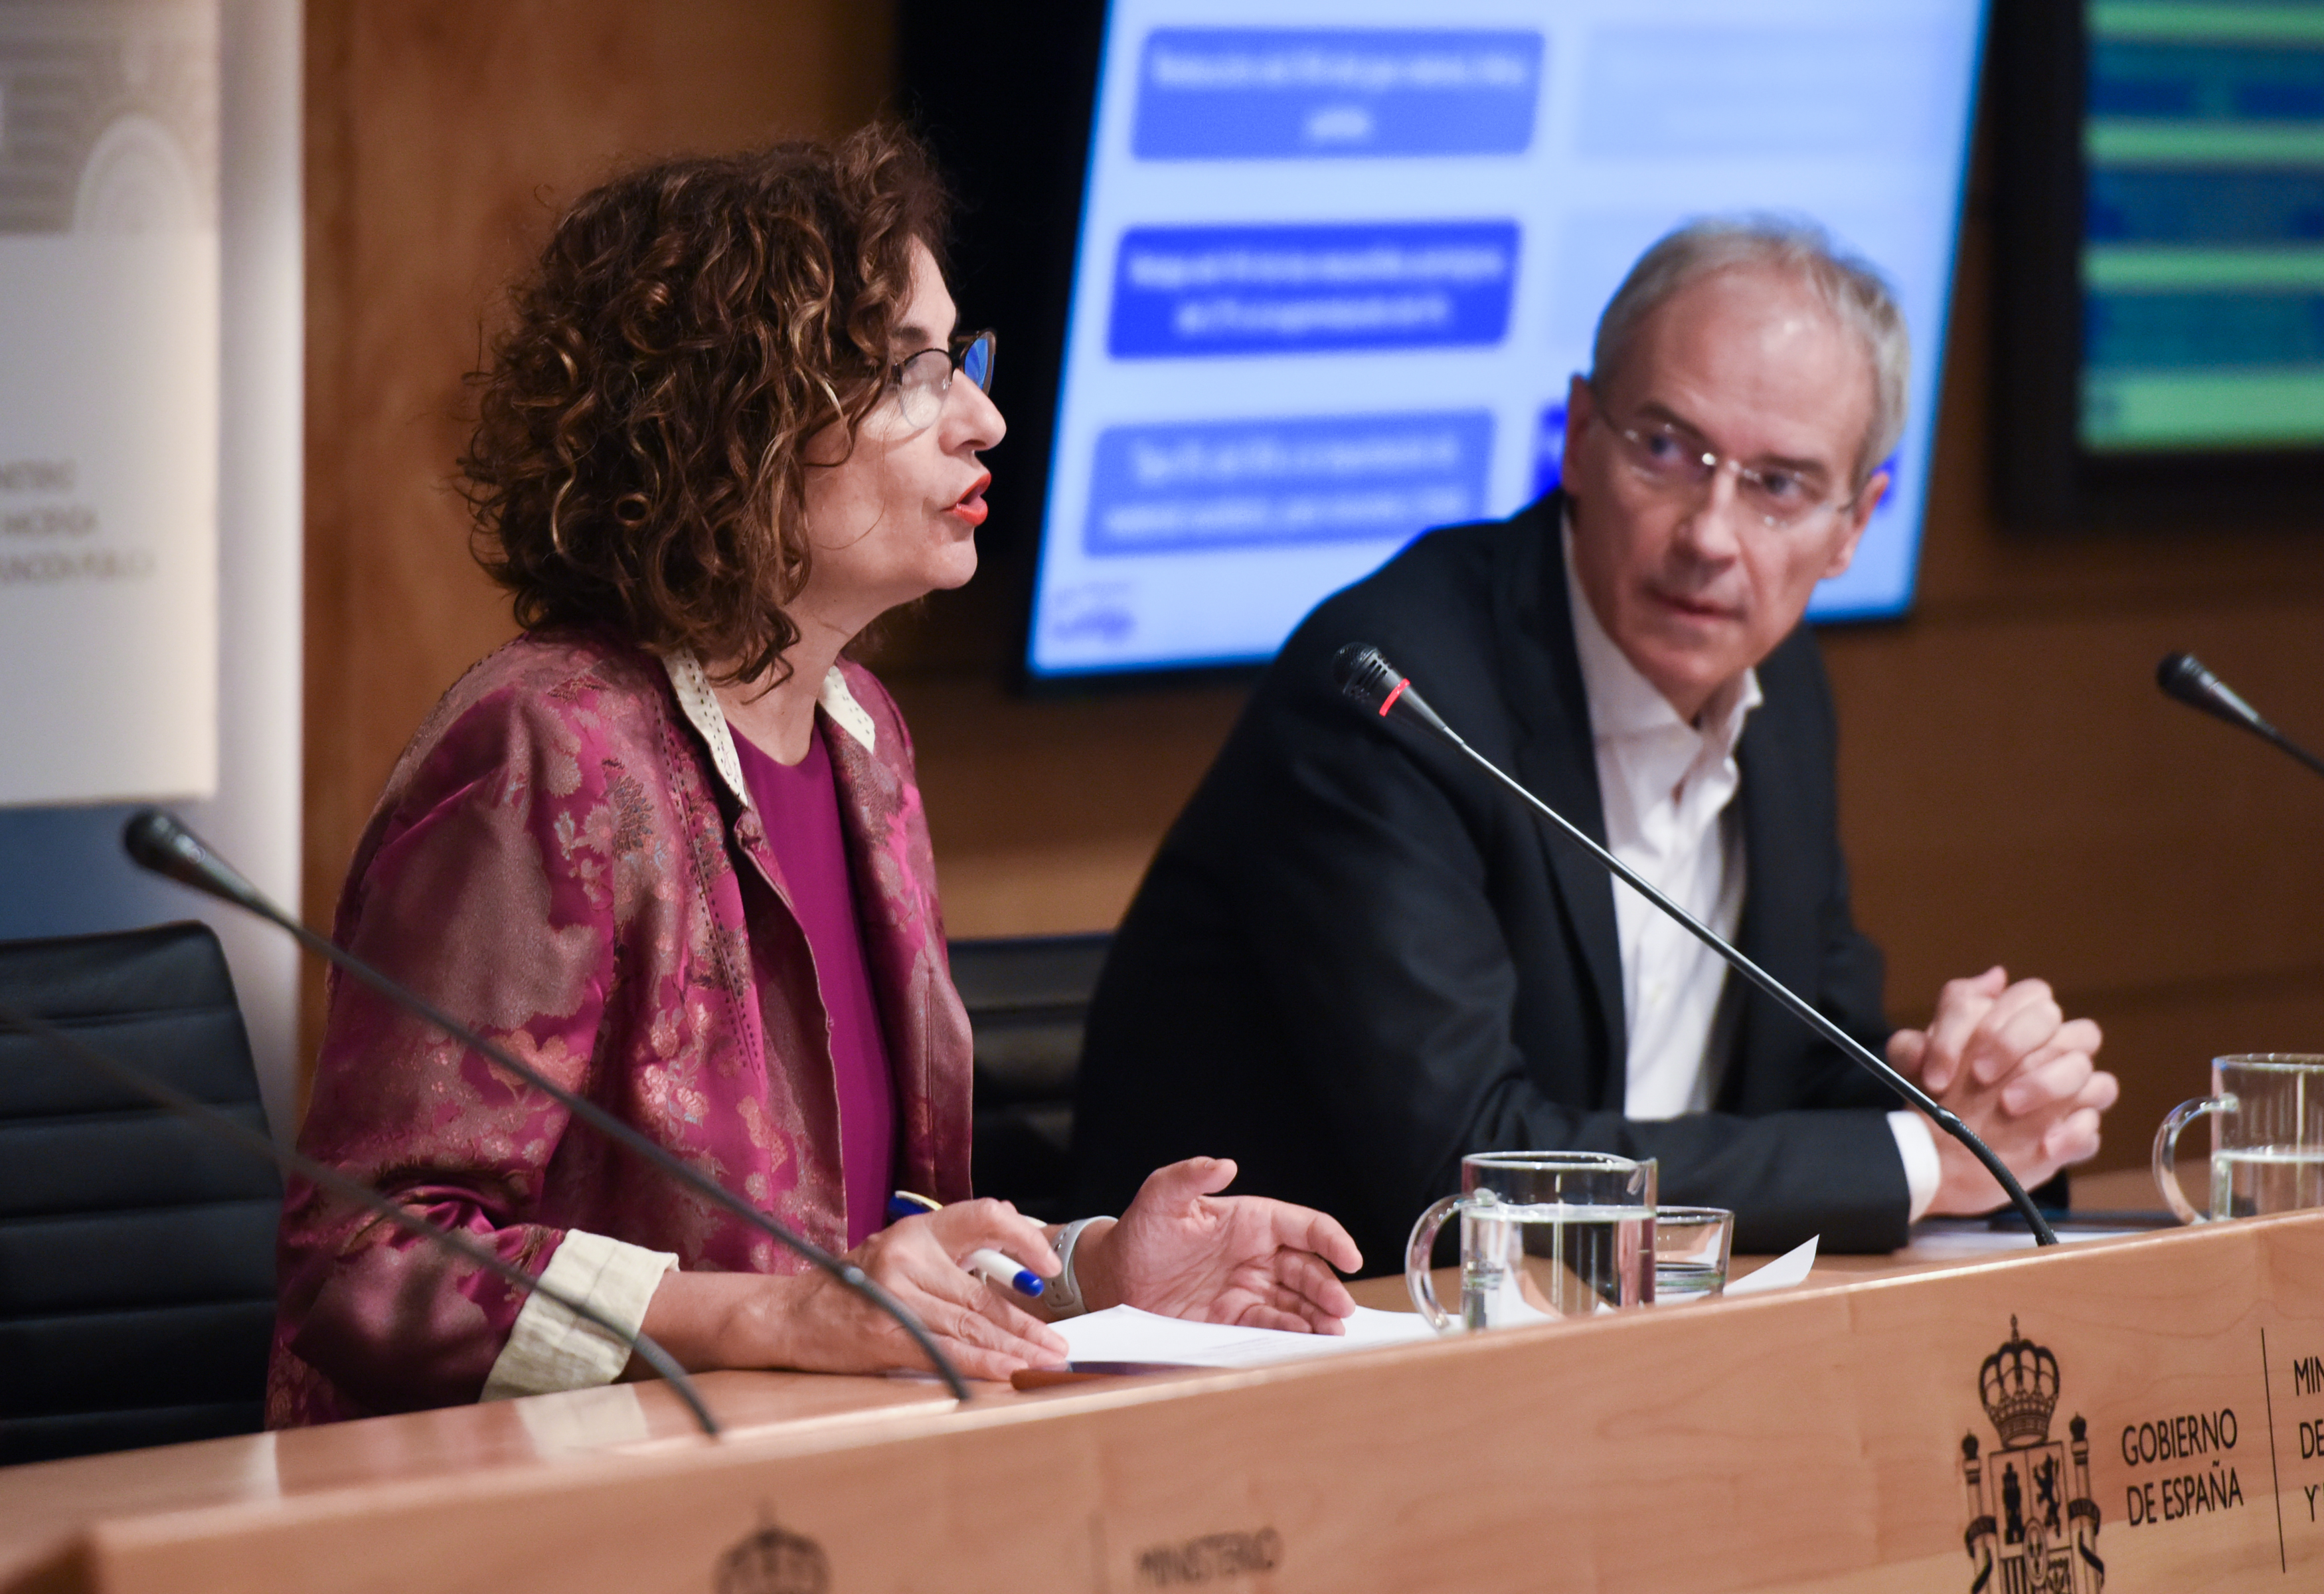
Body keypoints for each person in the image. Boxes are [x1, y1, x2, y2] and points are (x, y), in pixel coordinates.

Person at [270, 128, 1359, 1427]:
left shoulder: (861, 739)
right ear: (730, 418)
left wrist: (1084, 1271)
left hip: (817, 1487)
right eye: (914, 373)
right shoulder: (549, 751)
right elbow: (368, 1262)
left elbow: (865, 1246)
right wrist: (774, 1315)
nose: (985, 418)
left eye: (964, 360)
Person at [1071, 217, 2118, 1268]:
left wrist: (1977, 1103)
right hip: (1298, 1356)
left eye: (1779, 485)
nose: (1710, 535)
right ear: (1576, 434)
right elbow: (1466, 1173)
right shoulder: (1397, 695)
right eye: (1667, 449)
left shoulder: (1780, 691)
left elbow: (1803, 1066)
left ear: (1854, 524)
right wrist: (1924, 1164)